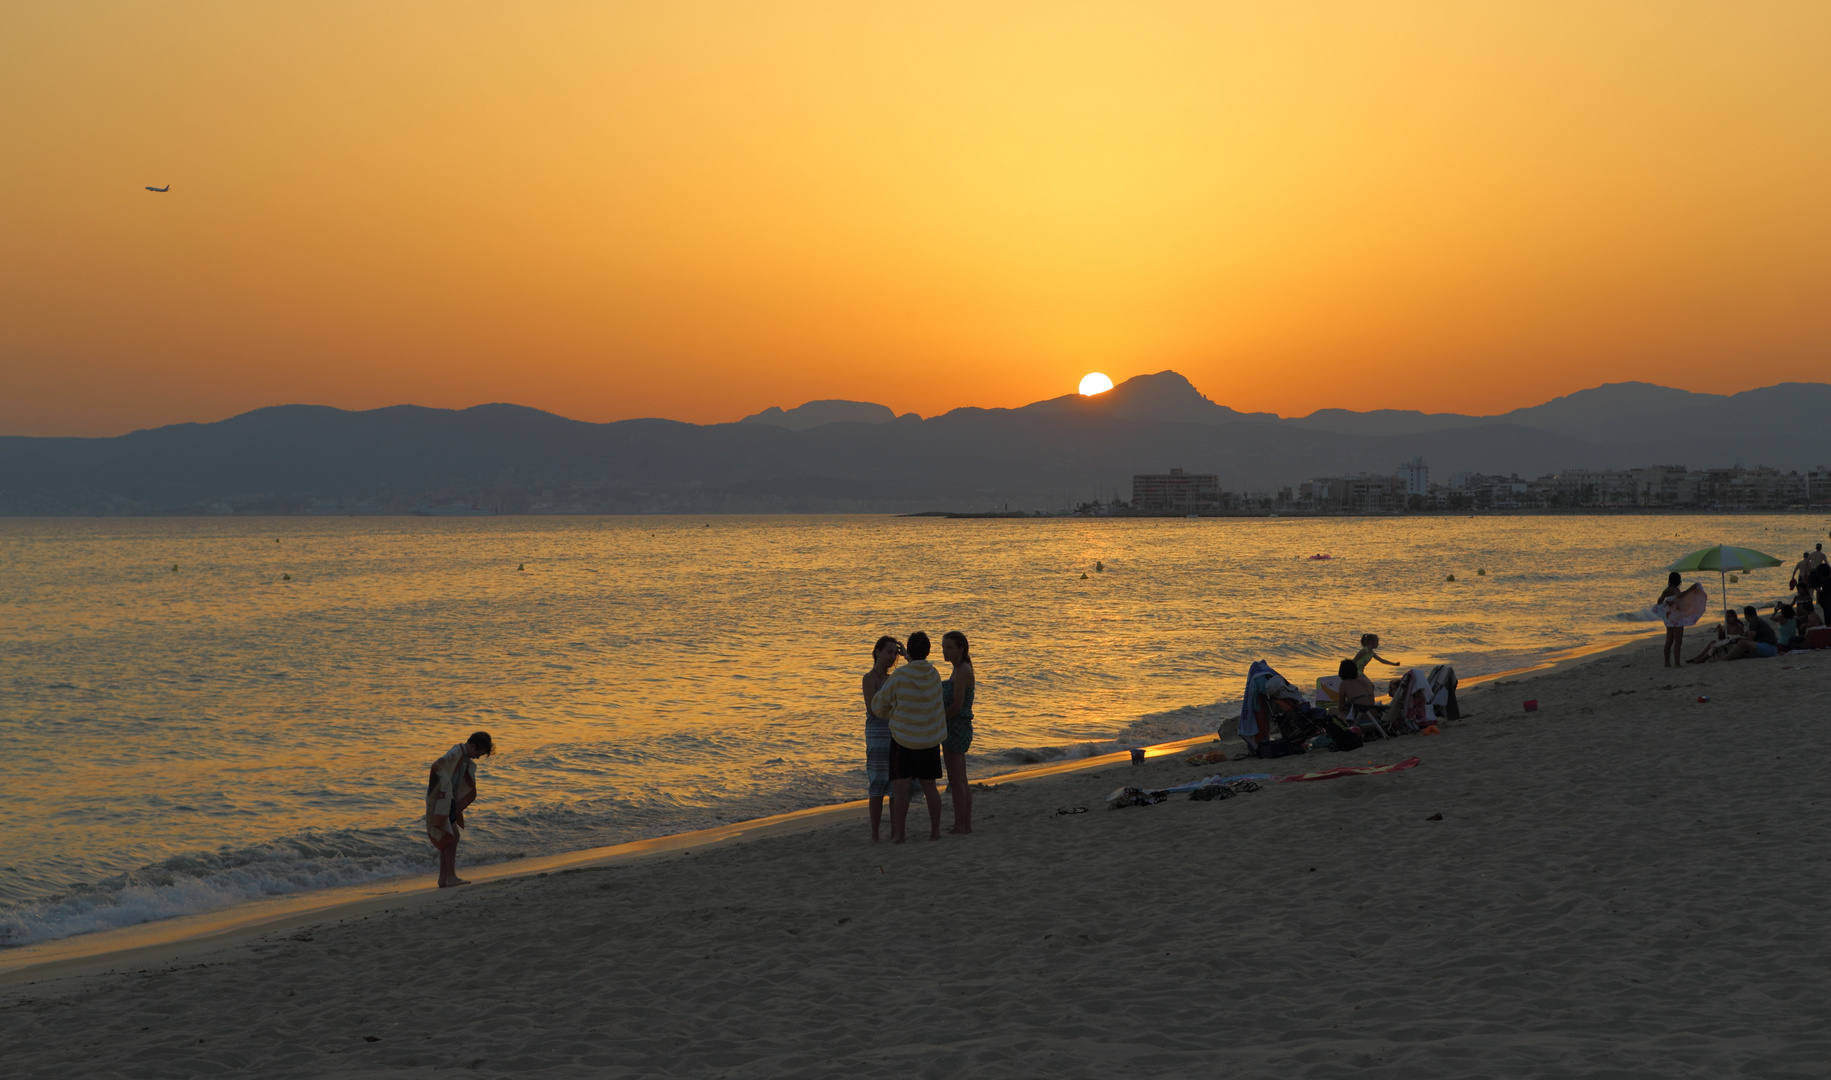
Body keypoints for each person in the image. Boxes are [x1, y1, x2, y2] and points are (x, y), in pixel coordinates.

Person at [871, 631, 947, 843]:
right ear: (928, 651)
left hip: (904, 740)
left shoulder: (900, 676)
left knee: (901, 788)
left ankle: (899, 835)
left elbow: (878, 706)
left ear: (909, 651)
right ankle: (935, 832)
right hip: (929, 739)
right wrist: (909, 656)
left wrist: (891, 713)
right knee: (930, 787)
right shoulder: (934, 674)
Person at [426, 731, 494, 887]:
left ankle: (443, 878)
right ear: (471, 746)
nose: (477, 757)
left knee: (447, 836)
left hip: (446, 799)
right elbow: (437, 766)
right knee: (453, 836)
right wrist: (446, 788)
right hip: (442, 799)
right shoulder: (456, 752)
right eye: (478, 752)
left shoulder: (463, 757)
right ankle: (450, 876)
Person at [862, 635, 903, 843]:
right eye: (888, 652)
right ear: (877, 651)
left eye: (895, 653)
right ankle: (875, 834)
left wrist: (908, 656)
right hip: (877, 736)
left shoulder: (894, 678)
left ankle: (896, 832)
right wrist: (893, 709)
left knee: (896, 786)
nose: (891, 657)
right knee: (877, 785)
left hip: (894, 734)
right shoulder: (869, 678)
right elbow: (872, 709)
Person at [939, 630, 975, 836]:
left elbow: (957, 705)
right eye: (943, 646)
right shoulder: (958, 669)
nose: (944, 651)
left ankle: (960, 825)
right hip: (955, 727)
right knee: (961, 779)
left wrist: (937, 722)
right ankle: (964, 824)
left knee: (956, 780)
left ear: (960, 649)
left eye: (949, 647)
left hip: (956, 728)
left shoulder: (962, 671)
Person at [1334, 658, 1379, 725]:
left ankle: (1347, 729)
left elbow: (1340, 707)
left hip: (1361, 718)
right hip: (1375, 718)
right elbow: (1372, 688)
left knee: (1332, 710)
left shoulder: (1344, 684)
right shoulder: (1366, 681)